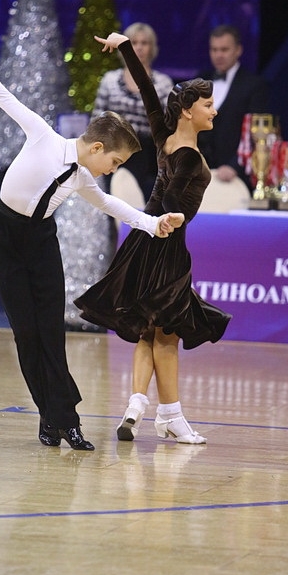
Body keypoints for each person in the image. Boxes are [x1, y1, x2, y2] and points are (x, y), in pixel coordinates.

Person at [0, 30, 184, 452]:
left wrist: (153, 224)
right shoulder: (43, 135)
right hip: (4, 237)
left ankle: (67, 422)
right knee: (27, 333)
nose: (111, 169)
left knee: (51, 332)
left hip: (41, 240)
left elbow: (110, 204)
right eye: (113, 161)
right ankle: (49, 416)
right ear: (96, 147)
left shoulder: (82, 178)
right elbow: (1, 94)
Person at [75, 32, 232, 445]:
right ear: (188, 111)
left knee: (150, 331)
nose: (214, 110)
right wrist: (175, 214)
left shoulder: (164, 136)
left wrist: (125, 46)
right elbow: (175, 200)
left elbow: (146, 89)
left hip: (141, 242)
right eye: (208, 105)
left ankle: (137, 405)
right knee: (167, 336)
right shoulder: (189, 157)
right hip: (166, 247)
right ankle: (171, 417)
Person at [92, 22, 173, 200]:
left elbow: (169, 124)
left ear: (152, 48)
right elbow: (97, 120)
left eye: (144, 43)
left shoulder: (163, 83)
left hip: (149, 156)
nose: (139, 47)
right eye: (134, 43)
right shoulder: (110, 80)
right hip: (113, 151)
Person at [197, 24, 269, 190]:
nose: (218, 55)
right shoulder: (200, 80)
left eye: (224, 49)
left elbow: (256, 133)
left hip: (235, 178)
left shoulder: (254, 85)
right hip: (200, 176)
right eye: (214, 50)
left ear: (238, 50)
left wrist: (235, 166)